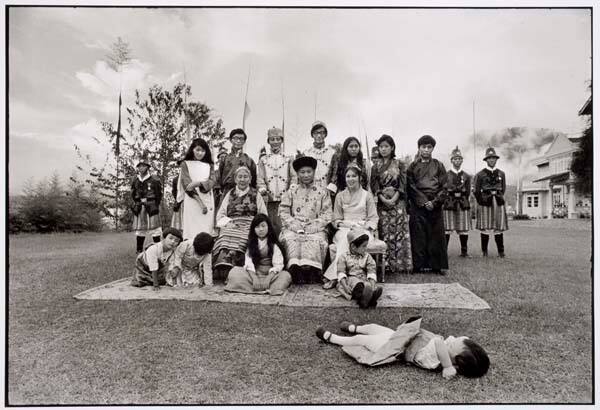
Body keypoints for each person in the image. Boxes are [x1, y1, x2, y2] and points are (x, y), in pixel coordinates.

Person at [315, 316, 490, 379]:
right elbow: (458, 340)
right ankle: (354, 327)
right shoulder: (445, 351)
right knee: (374, 327)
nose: (450, 339)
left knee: (362, 340)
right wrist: (462, 346)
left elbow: (438, 342)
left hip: (392, 346)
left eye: (453, 344)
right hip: (399, 336)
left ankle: (333, 338)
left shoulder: (437, 360)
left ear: (455, 361)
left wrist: (448, 367)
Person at [323, 164, 384, 287]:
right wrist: (345, 223)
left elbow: (373, 218)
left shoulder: (367, 195)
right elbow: (336, 219)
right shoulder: (340, 196)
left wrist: (364, 226)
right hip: (345, 228)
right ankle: (343, 276)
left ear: (359, 177)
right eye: (348, 176)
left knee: (351, 237)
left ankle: (336, 276)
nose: (351, 179)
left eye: (354, 176)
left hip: (363, 230)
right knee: (346, 237)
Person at [279, 156, 333, 284]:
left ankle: (313, 271)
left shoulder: (323, 192)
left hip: (315, 226)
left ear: (314, 172)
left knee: (316, 239)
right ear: (297, 174)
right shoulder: (291, 191)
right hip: (294, 225)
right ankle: (294, 270)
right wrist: (294, 224)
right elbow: (283, 211)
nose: (306, 175)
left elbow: (327, 213)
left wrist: (315, 225)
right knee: (290, 238)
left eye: (309, 172)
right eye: (302, 172)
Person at [213, 166, 268, 280]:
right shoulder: (229, 194)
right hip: (232, 223)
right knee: (225, 234)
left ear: (250, 178)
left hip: (250, 223)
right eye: (240, 177)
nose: (242, 180)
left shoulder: (255, 194)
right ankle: (223, 262)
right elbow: (220, 214)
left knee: (244, 235)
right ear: (235, 179)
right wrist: (228, 223)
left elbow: (263, 214)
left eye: (245, 177)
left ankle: (235, 260)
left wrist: (256, 224)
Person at [369, 135, 412, 274]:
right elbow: (374, 185)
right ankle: (385, 266)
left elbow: (403, 184)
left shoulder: (400, 164)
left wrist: (394, 198)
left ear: (392, 147)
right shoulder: (375, 166)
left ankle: (400, 265)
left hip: (398, 203)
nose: (383, 149)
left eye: (386, 146)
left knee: (398, 233)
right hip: (382, 205)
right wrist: (383, 198)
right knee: (384, 233)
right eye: (381, 146)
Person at [407, 135, 448, 274]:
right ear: (419, 148)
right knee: (418, 235)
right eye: (423, 147)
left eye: (429, 147)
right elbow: (410, 186)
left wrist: (435, 202)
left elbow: (445, 187)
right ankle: (418, 266)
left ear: (432, 149)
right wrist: (423, 202)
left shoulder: (439, 165)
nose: (426, 150)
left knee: (436, 236)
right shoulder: (413, 166)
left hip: (435, 203)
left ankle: (436, 266)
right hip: (418, 204)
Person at [225, 214, 292, 295]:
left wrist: (268, 279)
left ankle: (261, 288)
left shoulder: (274, 245)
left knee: (285, 276)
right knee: (234, 272)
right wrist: (254, 278)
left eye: (263, 226)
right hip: (254, 274)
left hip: (271, 275)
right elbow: (248, 263)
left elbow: (278, 265)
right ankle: (264, 288)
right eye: (257, 227)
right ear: (253, 229)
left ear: (268, 227)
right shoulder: (251, 244)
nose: (261, 229)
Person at [257, 126, 297, 237]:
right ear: (268, 141)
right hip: (269, 199)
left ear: (282, 141)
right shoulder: (263, 160)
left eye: (278, 139)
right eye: (272, 139)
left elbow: (294, 176)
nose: (275, 142)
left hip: (285, 198)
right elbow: (260, 177)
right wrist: (262, 188)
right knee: (271, 226)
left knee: (285, 226)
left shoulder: (289, 158)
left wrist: (292, 187)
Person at [177, 138, 216, 240]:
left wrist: (198, 183)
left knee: (206, 229)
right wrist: (200, 203)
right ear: (192, 150)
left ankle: (206, 253)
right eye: (198, 150)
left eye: (203, 151)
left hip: (207, 198)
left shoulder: (209, 165)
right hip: (192, 200)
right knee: (192, 230)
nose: (200, 153)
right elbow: (187, 185)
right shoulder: (185, 164)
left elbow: (212, 181)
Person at [335, 227, 383, 308]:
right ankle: (367, 300)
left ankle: (370, 296)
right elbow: (341, 272)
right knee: (358, 286)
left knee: (367, 285)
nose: (366, 248)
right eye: (363, 246)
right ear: (353, 246)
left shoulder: (367, 256)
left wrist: (372, 285)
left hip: (363, 279)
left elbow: (371, 270)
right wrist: (345, 287)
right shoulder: (343, 257)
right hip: (350, 281)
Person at [474, 147, 508, 257]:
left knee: (498, 226)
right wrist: (482, 200)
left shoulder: (501, 174)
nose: (492, 160)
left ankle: (501, 251)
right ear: (486, 160)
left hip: (498, 201)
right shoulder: (480, 174)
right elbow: (476, 191)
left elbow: (503, 189)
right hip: (485, 201)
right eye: (489, 158)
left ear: (496, 159)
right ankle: (484, 252)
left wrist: (498, 197)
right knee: (485, 226)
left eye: (494, 158)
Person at [443, 146, 473, 257]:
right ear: (451, 160)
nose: (457, 160)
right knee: (447, 228)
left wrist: (462, 197)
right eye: (455, 159)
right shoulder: (446, 175)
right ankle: (444, 252)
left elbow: (468, 191)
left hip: (462, 202)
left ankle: (464, 252)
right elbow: (444, 189)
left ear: (462, 160)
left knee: (463, 228)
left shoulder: (466, 176)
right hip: (449, 202)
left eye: (459, 158)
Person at [215, 128, 257, 206]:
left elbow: (254, 180)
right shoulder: (224, 159)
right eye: (235, 138)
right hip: (227, 191)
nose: (238, 141)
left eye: (241, 139)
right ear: (231, 140)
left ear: (244, 141)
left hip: (245, 192)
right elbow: (219, 177)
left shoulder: (249, 160)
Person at [131, 158, 163, 254]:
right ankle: (139, 250)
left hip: (152, 205)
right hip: (140, 206)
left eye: (143, 166)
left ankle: (158, 250)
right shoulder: (135, 180)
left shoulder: (154, 180)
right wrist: (138, 202)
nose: (141, 168)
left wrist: (154, 204)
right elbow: (133, 193)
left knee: (155, 229)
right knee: (140, 229)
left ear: (147, 167)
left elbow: (159, 195)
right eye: (139, 166)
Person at [303, 121, 337, 193]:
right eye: (316, 133)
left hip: (328, 191)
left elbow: (335, 173)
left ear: (325, 134)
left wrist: (331, 188)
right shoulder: (307, 153)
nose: (319, 136)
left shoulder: (332, 152)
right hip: (310, 192)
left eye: (321, 133)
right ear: (312, 135)